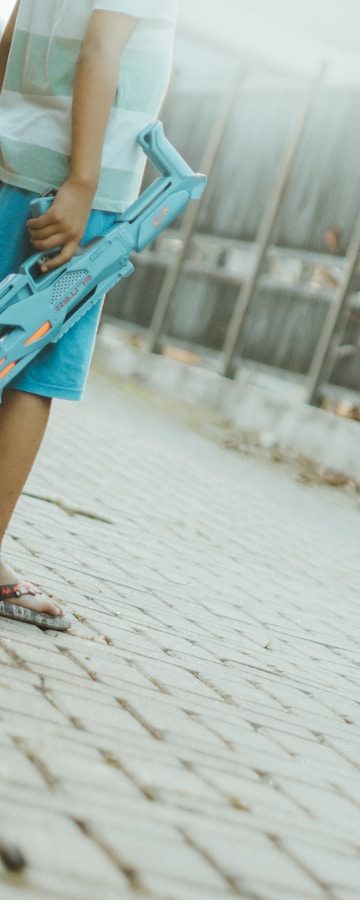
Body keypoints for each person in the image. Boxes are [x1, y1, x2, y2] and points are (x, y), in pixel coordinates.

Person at [0, 0, 178, 631]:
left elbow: (17, 27)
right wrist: (82, 182)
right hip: (68, 189)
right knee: (30, 370)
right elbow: (102, 50)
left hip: (12, 160)